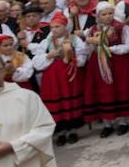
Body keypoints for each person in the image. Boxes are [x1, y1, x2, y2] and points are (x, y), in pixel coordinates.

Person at [30, 12, 88, 146]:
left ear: (65, 27)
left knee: (70, 101)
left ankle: (72, 130)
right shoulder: (46, 42)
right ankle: (60, 132)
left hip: (69, 75)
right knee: (56, 103)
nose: (54, 30)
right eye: (52, 27)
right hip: (52, 78)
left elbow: (82, 59)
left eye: (57, 27)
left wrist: (68, 56)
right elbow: (36, 62)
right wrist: (48, 56)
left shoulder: (74, 39)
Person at [84, 2, 129, 137]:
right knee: (103, 91)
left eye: (110, 13)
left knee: (119, 89)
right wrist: (89, 43)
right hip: (98, 64)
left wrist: (111, 49)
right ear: (98, 16)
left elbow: (128, 46)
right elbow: (87, 50)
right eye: (104, 14)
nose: (108, 17)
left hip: (118, 62)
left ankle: (123, 122)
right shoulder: (91, 30)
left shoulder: (122, 28)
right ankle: (107, 124)